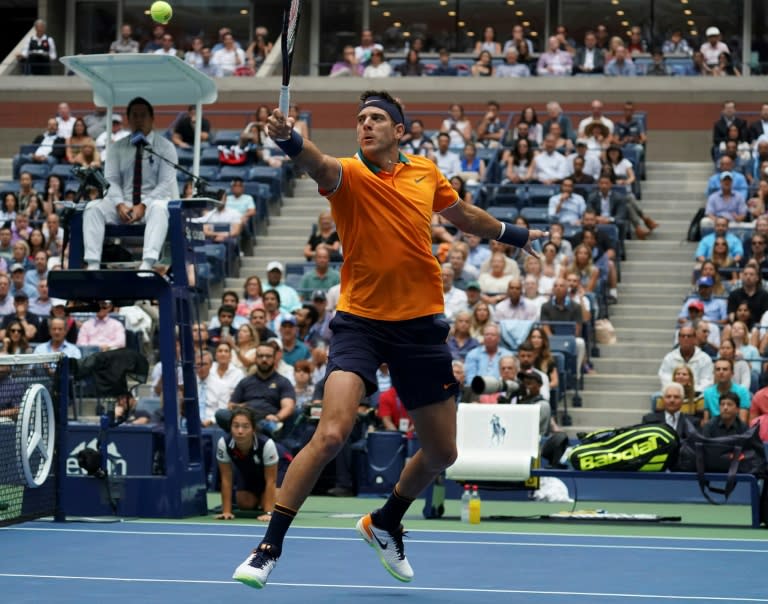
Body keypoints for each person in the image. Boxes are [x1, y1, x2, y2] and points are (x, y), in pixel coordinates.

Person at [231, 89, 546, 589]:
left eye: (377, 118)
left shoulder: (425, 172)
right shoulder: (347, 175)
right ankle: (269, 546)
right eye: (360, 119)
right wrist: (291, 140)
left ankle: (385, 521)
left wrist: (519, 236)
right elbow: (315, 162)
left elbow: (463, 216)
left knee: (443, 453)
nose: (366, 125)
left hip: (421, 325)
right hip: (361, 323)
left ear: (400, 131)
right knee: (332, 433)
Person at [82, 97, 179, 271]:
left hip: (151, 205)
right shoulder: (116, 148)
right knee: (92, 208)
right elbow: (111, 180)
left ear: (152, 118)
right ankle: (93, 264)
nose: (139, 119)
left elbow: (166, 182)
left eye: (143, 115)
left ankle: (148, 263)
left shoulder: (166, 147)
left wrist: (143, 205)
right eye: (134, 115)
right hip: (123, 205)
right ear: (128, 120)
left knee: (159, 207)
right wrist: (119, 204)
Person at [215, 407, 278, 522]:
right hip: (250, 475)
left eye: (245, 426)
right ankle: (260, 498)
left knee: (274, 504)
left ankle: (266, 500)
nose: (240, 431)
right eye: (236, 426)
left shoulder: (267, 444)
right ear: (230, 427)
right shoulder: (224, 443)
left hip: (276, 474)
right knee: (244, 503)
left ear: (253, 429)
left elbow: (271, 480)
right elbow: (226, 478)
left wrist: (269, 512)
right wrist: (226, 511)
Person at [657, 324, 714, 391]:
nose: (685, 339)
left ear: (695, 338)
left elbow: (707, 381)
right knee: (656, 397)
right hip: (674, 394)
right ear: (678, 339)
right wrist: (678, 390)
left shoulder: (705, 359)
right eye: (682, 336)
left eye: (689, 336)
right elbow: (665, 377)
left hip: (697, 395)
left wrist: (691, 391)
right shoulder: (670, 357)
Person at [702, 358, 751, 423]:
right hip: (714, 429)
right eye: (718, 369)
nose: (721, 372)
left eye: (725, 369)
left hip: (735, 430)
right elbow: (706, 421)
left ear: (732, 373)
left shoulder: (742, 392)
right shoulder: (707, 393)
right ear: (713, 373)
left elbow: (743, 421)